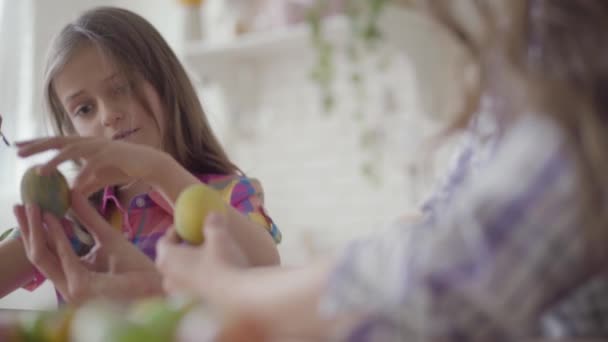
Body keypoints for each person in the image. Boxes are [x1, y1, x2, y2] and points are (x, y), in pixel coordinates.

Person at [156, 0, 608, 340]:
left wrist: (236, 290)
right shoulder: (523, 59)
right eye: (83, 107)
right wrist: (248, 291)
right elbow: (434, 221)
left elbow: (451, 272)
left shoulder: (575, 74)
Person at [0, 6, 281, 303]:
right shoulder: (72, 218)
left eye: (121, 88)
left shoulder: (226, 195)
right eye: (84, 109)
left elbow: (265, 269)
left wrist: (160, 170)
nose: (108, 115)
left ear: (165, 84)